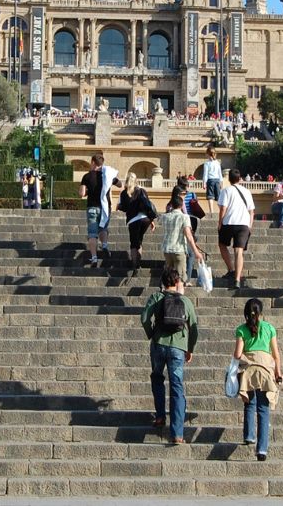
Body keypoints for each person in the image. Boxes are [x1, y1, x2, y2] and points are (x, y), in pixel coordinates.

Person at [140, 269, 198, 444]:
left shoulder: (156, 297)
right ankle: (177, 433)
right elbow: (194, 328)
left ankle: (160, 416)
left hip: (159, 344)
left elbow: (144, 318)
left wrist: (151, 334)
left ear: (163, 282)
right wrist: (190, 349)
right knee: (176, 386)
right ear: (177, 282)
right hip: (178, 348)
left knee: (157, 377)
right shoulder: (185, 301)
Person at [234, 298, 283, 461]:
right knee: (263, 408)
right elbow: (276, 354)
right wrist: (278, 372)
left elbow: (237, 354)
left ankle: (249, 435)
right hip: (266, 370)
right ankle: (262, 450)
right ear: (261, 312)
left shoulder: (241, 329)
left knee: (249, 402)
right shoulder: (269, 328)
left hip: (248, 370)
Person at [79, 155, 121, 265]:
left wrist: (89, 191)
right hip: (105, 207)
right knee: (103, 228)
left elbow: (82, 193)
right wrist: (112, 179)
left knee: (92, 233)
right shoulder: (107, 175)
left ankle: (94, 258)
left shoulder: (87, 176)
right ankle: (105, 245)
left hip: (92, 207)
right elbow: (120, 184)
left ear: (93, 162)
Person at [217, 170, 255, 290]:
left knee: (222, 245)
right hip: (243, 224)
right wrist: (250, 225)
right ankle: (237, 279)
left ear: (229, 179)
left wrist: (219, 222)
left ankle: (231, 269)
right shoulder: (247, 191)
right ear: (240, 178)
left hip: (228, 222)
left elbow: (223, 208)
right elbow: (251, 211)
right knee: (239, 251)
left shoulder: (226, 191)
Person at [159, 191, 204, 282]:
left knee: (169, 277)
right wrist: (196, 252)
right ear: (182, 205)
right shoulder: (184, 217)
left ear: (172, 205)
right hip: (179, 249)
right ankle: (179, 289)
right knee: (180, 278)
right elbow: (189, 235)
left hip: (167, 249)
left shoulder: (165, 217)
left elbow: (159, 219)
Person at [118, 177, 159, 270]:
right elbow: (147, 205)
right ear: (136, 181)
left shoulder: (124, 193)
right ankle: (138, 263)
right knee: (139, 241)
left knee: (133, 243)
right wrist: (152, 220)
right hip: (145, 219)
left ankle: (134, 264)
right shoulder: (141, 191)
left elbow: (124, 208)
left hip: (133, 220)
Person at [202, 147, 223, 214]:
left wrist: (204, 183)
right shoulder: (217, 163)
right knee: (218, 197)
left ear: (208, 154)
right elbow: (220, 174)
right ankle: (221, 211)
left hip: (210, 180)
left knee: (210, 196)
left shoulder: (207, 163)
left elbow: (205, 174)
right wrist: (221, 183)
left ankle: (211, 212)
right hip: (217, 180)